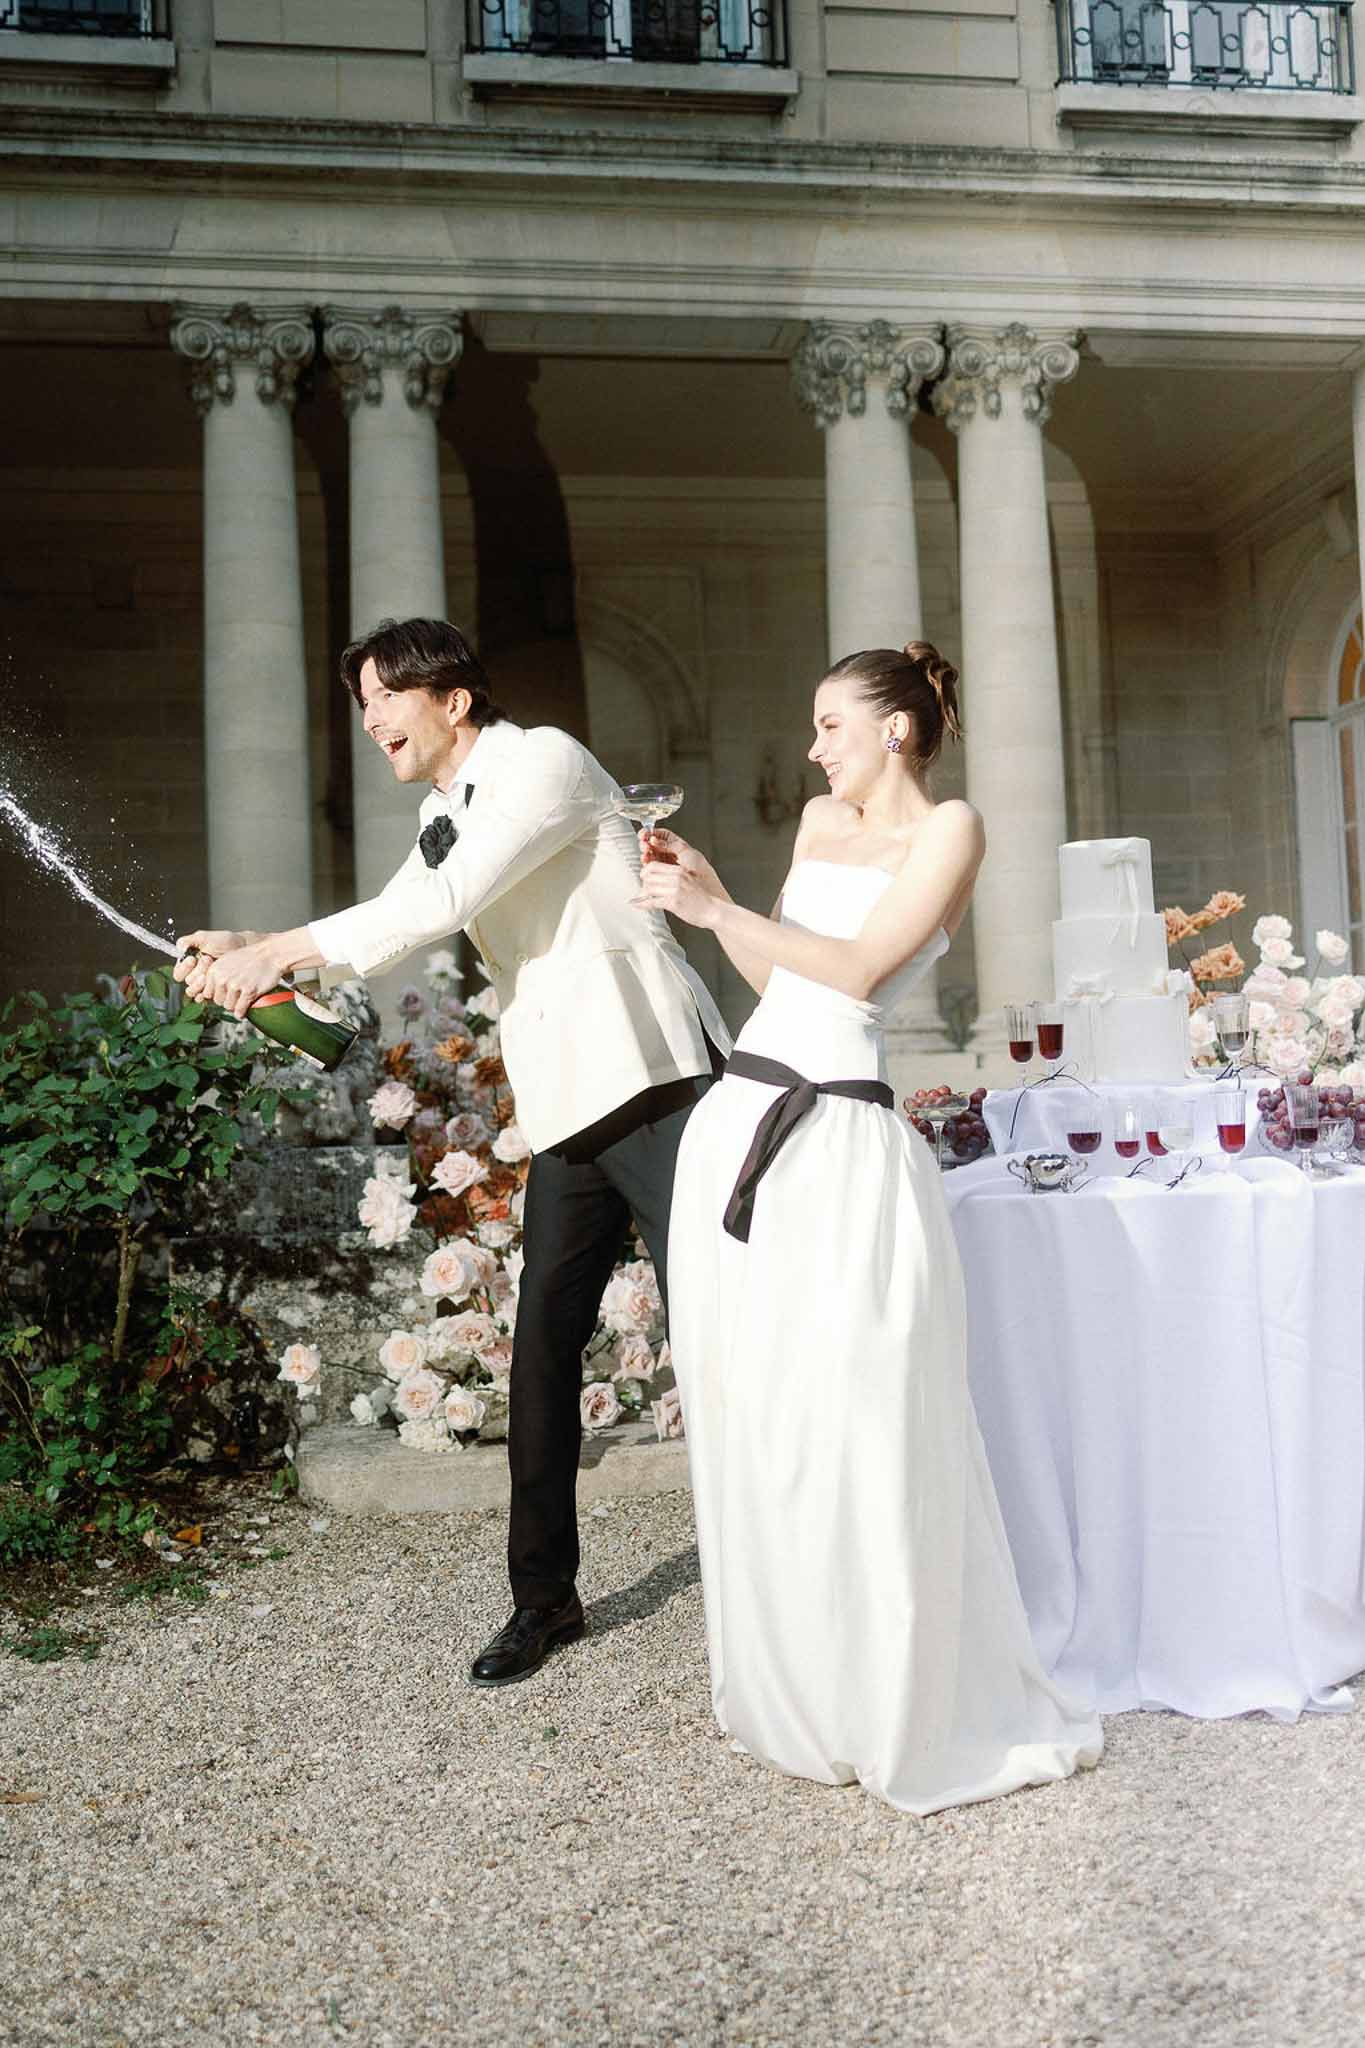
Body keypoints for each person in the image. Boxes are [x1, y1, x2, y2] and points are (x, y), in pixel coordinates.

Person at [175, 617, 730, 1687]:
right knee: (538, 1357)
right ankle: (544, 1600)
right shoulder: (443, 811)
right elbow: (395, 907)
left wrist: (281, 950)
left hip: (657, 1079)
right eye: (363, 702)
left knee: (721, 1335)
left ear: (455, 700)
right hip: (570, 1106)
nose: (370, 718)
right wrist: (252, 948)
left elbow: (442, 904)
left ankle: (782, 1570)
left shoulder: (545, 761)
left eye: (384, 695)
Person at [636, 640, 1103, 1816]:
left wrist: (716, 903)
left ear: (896, 729)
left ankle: (890, 1691)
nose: (812, 747)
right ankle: (795, 1688)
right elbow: (772, 980)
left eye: (831, 724)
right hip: (739, 1122)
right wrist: (707, 902)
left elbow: (852, 974)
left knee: (866, 1412)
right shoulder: (811, 821)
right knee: (761, 1415)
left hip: (840, 1143)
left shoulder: (951, 829)